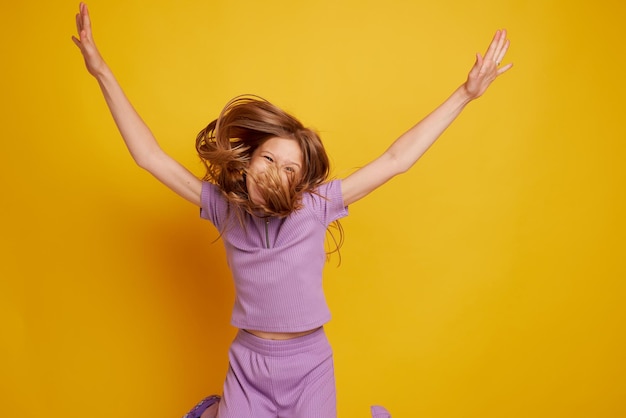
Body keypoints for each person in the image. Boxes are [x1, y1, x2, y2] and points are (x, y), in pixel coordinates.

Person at [72, 3, 512, 417]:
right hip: (249, 363)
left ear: (300, 183)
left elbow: (396, 160)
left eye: (289, 169)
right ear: (247, 162)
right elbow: (149, 156)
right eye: (267, 159)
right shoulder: (224, 209)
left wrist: (465, 94)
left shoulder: (316, 207)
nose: (274, 173)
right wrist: (101, 72)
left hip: (309, 365)